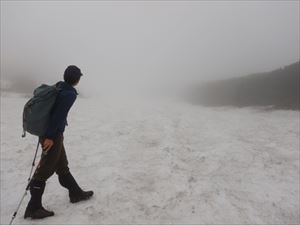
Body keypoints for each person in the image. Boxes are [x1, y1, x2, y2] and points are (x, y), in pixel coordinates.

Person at [24, 65, 94, 219]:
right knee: (44, 171)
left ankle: (75, 193)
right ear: (77, 79)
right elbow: (58, 116)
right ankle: (33, 208)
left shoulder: (59, 86)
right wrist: (49, 137)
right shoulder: (69, 94)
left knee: (62, 166)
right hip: (52, 136)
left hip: (51, 134)